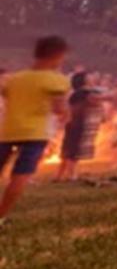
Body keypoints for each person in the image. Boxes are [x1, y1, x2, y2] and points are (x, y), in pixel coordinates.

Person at [0, 36, 71, 227]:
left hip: (8, 131)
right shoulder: (57, 80)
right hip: (35, 133)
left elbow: (5, 94)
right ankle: (1, 215)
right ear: (58, 56)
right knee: (21, 175)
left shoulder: (14, 79)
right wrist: (65, 114)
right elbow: (59, 108)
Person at [55, 71, 109, 182]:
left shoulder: (77, 93)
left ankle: (59, 176)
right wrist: (113, 96)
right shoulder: (84, 92)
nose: (93, 77)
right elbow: (94, 100)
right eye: (89, 76)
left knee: (67, 150)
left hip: (74, 124)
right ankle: (72, 175)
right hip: (79, 124)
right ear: (83, 80)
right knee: (74, 151)